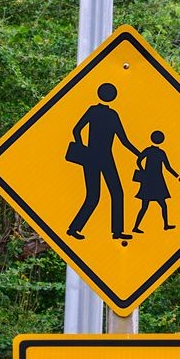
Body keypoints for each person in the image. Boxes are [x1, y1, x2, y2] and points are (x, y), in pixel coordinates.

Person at [66, 82, 140, 241]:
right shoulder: (112, 115)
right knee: (114, 194)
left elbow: (76, 130)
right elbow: (124, 141)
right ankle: (115, 231)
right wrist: (139, 154)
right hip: (103, 157)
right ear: (113, 96)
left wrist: (82, 147)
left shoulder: (95, 111)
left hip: (94, 157)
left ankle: (75, 229)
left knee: (96, 195)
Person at [131, 130, 180, 233]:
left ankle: (164, 225)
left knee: (148, 206)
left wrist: (143, 170)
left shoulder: (148, 150)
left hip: (151, 180)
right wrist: (177, 176)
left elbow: (138, 160)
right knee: (160, 205)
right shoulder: (160, 153)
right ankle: (137, 227)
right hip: (156, 180)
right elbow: (168, 167)